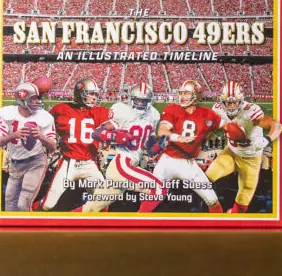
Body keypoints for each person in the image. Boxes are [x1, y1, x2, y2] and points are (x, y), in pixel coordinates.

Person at [138, 79, 223, 214]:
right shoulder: (172, 109)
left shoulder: (208, 114)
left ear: (196, 95)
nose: (182, 97)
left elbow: (225, 126)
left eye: (186, 93)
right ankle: (137, 224)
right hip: (168, 160)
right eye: (181, 93)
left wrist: (236, 129)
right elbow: (162, 131)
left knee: (212, 200)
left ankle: (221, 230)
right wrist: (179, 138)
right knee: (154, 196)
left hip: (188, 163)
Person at [81, 82, 163, 212]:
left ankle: (60, 224)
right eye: (137, 100)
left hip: (129, 165)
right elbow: (96, 133)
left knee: (89, 209)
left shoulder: (153, 115)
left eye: (144, 101)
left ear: (150, 101)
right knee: (158, 188)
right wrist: (114, 137)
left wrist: (160, 145)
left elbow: (150, 148)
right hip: (122, 163)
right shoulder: (123, 111)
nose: (140, 104)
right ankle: (139, 227)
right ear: (131, 99)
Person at [206, 81, 282, 213]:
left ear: (241, 100)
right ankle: (216, 213)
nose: (230, 106)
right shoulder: (217, 109)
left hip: (251, 158)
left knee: (243, 200)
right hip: (231, 152)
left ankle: (233, 221)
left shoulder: (250, 112)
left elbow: (277, 126)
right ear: (221, 101)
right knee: (205, 179)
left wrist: (266, 140)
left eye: (234, 102)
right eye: (227, 102)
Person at [41, 78, 111, 210]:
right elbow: (43, 122)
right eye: (91, 94)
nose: (94, 98)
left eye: (96, 94)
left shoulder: (100, 112)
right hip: (68, 163)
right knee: (47, 205)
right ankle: (30, 214)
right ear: (80, 93)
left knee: (103, 201)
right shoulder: (61, 109)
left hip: (89, 164)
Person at [0, 80, 57, 210]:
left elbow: (53, 146)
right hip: (15, 164)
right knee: (9, 205)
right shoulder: (6, 113)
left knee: (23, 204)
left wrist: (40, 136)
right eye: (34, 99)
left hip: (36, 162)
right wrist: (13, 135)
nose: (38, 101)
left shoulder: (45, 117)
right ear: (23, 99)